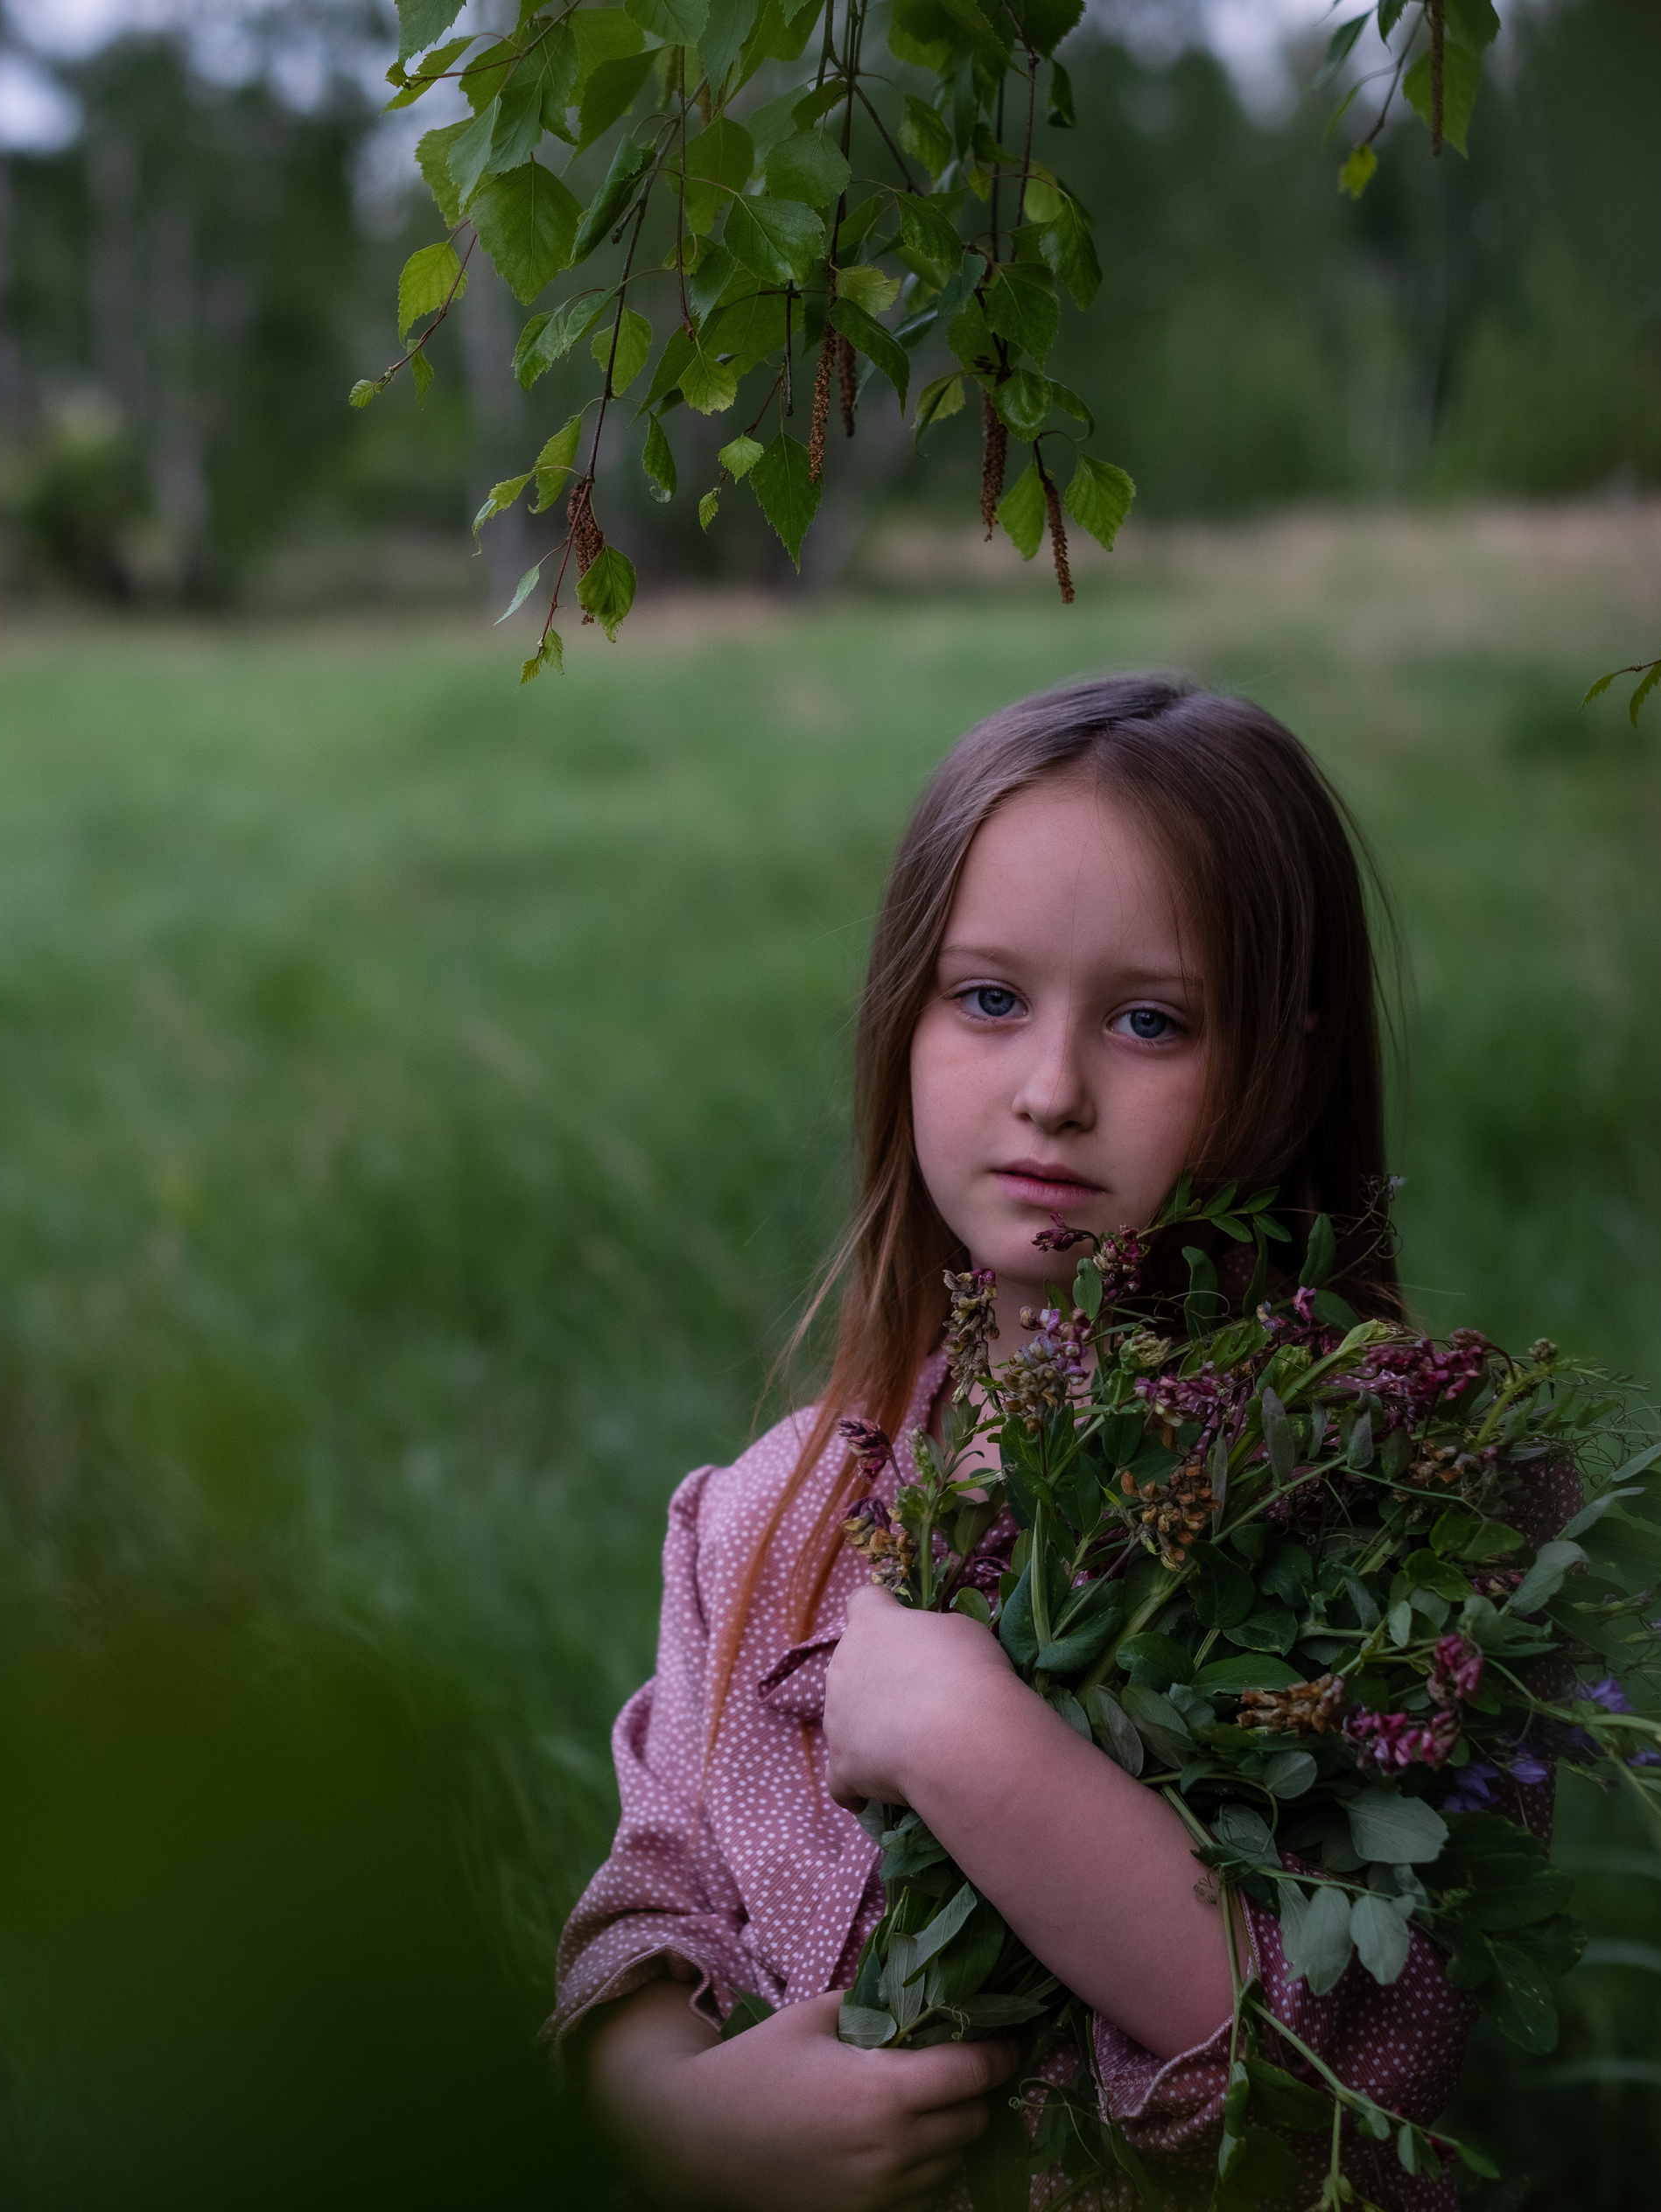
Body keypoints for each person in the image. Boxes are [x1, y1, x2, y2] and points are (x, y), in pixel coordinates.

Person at [553, 678, 1481, 2211]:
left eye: (1149, 1021)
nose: (1052, 1094)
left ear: (1292, 1060)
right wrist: (667, 2116)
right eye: (987, 999)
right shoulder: (773, 1516)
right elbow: (652, 1891)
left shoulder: (1389, 1517)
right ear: (900, 1022)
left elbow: (1348, 2067)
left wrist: (970, 1739)